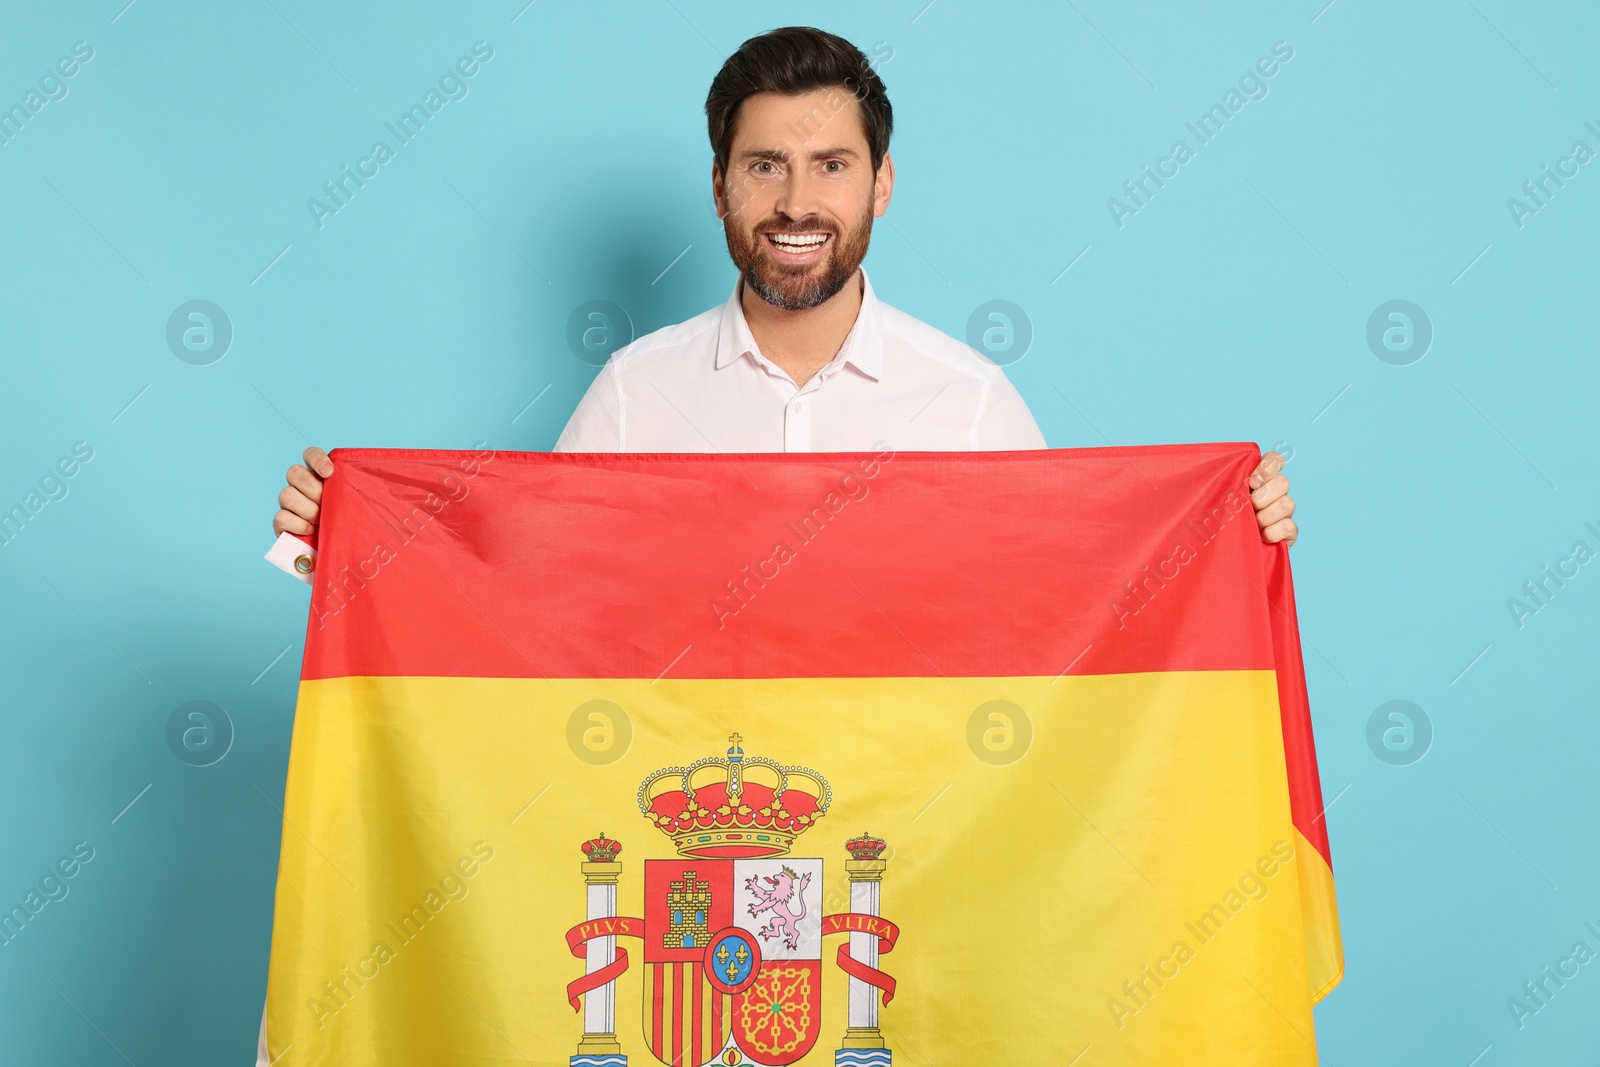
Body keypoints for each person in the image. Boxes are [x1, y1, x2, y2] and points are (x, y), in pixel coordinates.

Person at [256, 24, 1296, 1062]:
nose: (797, 201)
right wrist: (344, 542)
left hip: (912, 894)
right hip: (681, 897)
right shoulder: (635, 393)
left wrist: (1225, 537)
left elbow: (1078, 630)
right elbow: (524, 611)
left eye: (830, 165)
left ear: (881, 184)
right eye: (765, 165)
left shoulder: (968, 405)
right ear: (718, 187)